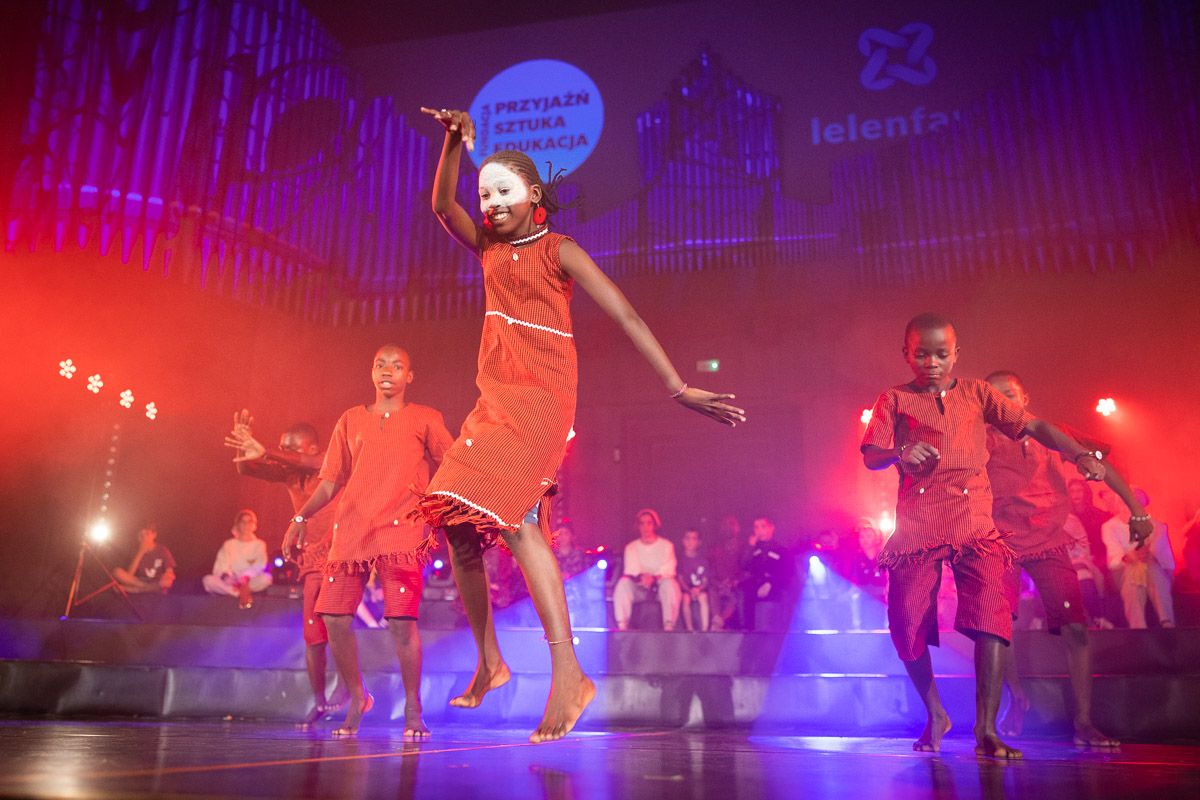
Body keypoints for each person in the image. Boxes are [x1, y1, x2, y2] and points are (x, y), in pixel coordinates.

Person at [414, 107, 745, 743]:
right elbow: (440, 206)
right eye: (485, 195)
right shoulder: (487, 247)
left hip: (544, 398)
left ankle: (569, 675)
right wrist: (452, 143)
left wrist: (678, 386)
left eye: (504, 191)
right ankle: (490, 661)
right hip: (494, 396)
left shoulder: (560, 250)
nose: (491, 203)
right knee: (453, 517)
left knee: (516, 521)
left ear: (533, 194)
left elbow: (626, 316)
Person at [860, 313, 1109, 759]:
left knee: (992, 618)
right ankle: (935, 713)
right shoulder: (893, 399)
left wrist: (1077, 453)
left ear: (956, 353)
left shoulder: (977, 393)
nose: (932, 362)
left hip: (975, 523)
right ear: (906, 354)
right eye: (921, 354)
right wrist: (900, 451)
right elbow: (871, 455)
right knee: (906, 623)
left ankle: (986, 730)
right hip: (920, 523)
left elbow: (1034, 425)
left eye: (941, 354)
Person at [282, 344, 454, 739]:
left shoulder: (425, 418)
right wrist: (300, 517)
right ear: (372, 372)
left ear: (409, 376)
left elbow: (452, 463)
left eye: (397, 365)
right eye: (380, 364)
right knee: (333, 616)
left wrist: (442, 507)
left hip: (401, 529)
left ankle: (413, 707)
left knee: (401, 622)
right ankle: (358, 697)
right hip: (353, 530)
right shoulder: (350, 419)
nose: (387, 371)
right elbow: (330, 481)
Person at [984, 371, 1151, 746]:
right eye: (996, 398)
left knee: (1076, 628)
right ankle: (1017, 698)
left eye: (1010, 394)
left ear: (1025, 398)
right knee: (1000, 629)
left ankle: (1084, 721)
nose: (1005, 403)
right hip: (1001, 545)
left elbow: (1100, 462)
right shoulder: (981, 440)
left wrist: (1137, 511)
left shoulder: (1052, 434)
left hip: (1049, 542)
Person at [223, 414, 350, 726]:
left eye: (290, 449)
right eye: (282, 449)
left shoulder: (328, 461)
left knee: (336, 625)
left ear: (312, 448)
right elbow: (245, 467)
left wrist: (267, 450)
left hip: (339, 556)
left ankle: (349, 688)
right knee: (312, 635)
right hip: (310, 562)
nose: (284, 454)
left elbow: (309, 461)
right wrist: (243, 443)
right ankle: (319, 700)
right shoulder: (290, 474)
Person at [1102, 489, 1176, 628]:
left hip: (1153, 570)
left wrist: (1147, 555)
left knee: (1151, 569)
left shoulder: (1158, 527)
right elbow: (1114, 560)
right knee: (1133, 570)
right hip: (1122, 573)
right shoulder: (1109, 527)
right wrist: (1132, 556)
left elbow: (1167, 562)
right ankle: (1139, 626)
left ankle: (1166, 622)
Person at [613, 509, 682, 631]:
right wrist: (642, 578)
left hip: (660, 588)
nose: (645, 527)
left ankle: (669, 626)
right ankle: (622, 626)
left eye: (649, 523)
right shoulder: (631, 547)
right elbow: (631, 569)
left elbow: (669, 569)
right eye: (642, 523)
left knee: (670, 585)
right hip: (639, 588)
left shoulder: (667, 546)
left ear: (654, 525)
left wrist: (654, 578)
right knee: (623, 584)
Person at [202, 510, 272, 606]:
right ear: (238, 524)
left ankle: (240, 591)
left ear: (254, 525)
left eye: (249, 522)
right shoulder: (228, 544)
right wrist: (228, 578)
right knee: (208, 580)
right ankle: (240, 593)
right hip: (232, 582)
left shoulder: (259, 544)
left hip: (250, 581)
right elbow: (221, 567)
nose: (246, 525)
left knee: (266, 578)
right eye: (243, 522)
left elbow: (259, 565)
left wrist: (245, 578)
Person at [740, 516, 794, 629]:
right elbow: (744, 566)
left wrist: (770, 583)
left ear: (771, 528)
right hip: (756, 585)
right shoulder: (753, 549)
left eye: (763, 527)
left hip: (775, 585)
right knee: (746, 591)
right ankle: (748, 631)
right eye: (756, 527)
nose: (760, 531)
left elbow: (787, 573)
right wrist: (750, 547)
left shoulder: (781, 550)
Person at [112, 523, 176, 594]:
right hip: (141, 581)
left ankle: (134, 589)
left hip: (157, 582)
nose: (144, 538)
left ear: (154, 535)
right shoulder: (135, 551)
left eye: (147, 534)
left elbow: (169, 571)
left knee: (167, 581)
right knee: (116, 572)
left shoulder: (162, 550)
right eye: (141, 535)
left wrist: (167, 575)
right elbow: (129, 575)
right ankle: (141, 588)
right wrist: (141, 552)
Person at [677, 528, 712, 632]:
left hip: (699, 590)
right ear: (683, 541)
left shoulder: (703, 561)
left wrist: (699, 589)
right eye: (688, 538)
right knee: (686, 600)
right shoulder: (680, 560)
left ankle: (705, 629)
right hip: (686, 590)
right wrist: (689, 590)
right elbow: (680, 579)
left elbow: (705, 580)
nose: (690, 542)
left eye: (694, 539)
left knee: (703, 598)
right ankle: (689, 629)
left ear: (699, 542)